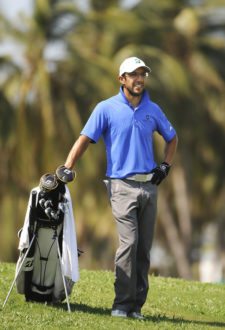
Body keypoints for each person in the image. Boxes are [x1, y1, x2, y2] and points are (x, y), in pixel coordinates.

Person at [64, 56, 178, 319]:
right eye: (133, 74)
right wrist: (68, 166)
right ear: (121, 79)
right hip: (120, 186)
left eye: (142, 74)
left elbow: (172, 139)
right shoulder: (106, 108)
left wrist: (165, 166)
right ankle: (121, 304)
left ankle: (136, 306)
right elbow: (84, 139)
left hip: (149, 187)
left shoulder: (153, 109)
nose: (139, 79)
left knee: (144, 249)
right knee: (129, 243)